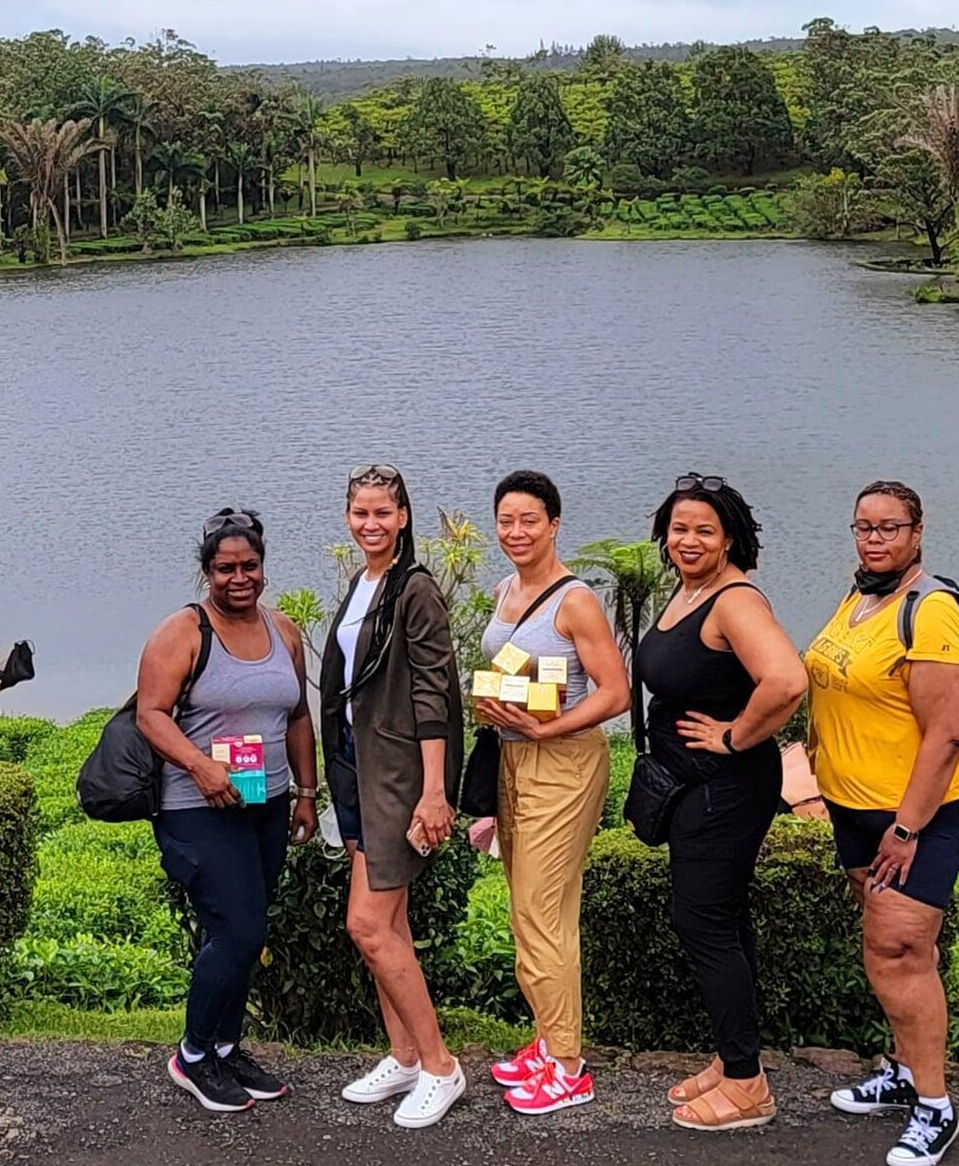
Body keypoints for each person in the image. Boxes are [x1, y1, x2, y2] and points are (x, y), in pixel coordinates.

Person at [807, 481, 959, 1166]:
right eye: (863, 527)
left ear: (917, 532)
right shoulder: (863, 596)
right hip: (859, 808)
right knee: (889, 949)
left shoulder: (932, 612)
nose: (874, 539)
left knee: (898, 952)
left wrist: (906, 829)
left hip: (920, 812)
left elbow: (948, 733)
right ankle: (908, 1074)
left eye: (889, 528)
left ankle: (935, 1108)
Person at [136, 508, 319, 1113]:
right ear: (206, 572)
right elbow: (151, 715)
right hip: (197, 807)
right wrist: (200, 767)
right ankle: (191, 1055)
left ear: (263, 566)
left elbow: (296, 716)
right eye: (224, 569)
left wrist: (307, 794)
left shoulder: (284, 630)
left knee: (245, 929)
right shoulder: (183, 632)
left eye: (249, 566)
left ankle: (225, 1044)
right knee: (238, 929)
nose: (239, 578)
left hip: (264, 803)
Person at [638, 474, 806, 1134]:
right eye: (679, 529)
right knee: (723, 920)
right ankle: (735, 1060)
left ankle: (746, 1087)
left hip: (725, 788)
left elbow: (786, 680)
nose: (689, 539)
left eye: (704, 530)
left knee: (701, 921)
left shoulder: (734, 601)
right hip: (695, 784)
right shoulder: (691, 590)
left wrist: (733, 736)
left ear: (729, 537)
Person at [476, 470, 630, 1116]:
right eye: (506, 521)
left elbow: (615, 692)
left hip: (562, 762)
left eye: (529, 521)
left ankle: (567, 1065)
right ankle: (547, 1038)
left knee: (543, 914)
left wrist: (550, 727)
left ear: (555, 524)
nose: (516, 532)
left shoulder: (575, 601)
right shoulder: (506, 588)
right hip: (513, 762)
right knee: (529, 909)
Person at [321, 464, 466, 1129]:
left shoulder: (416, 590)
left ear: (404, 517)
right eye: (360, 513)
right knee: (392, 922)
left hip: (401, 777)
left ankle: (440, 1066)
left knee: (367, 924)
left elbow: (435, 693)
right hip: (359, 767)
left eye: (383, 513)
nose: (371, 524)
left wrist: (435, 791)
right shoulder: (363, 584)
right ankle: (404, 1056)